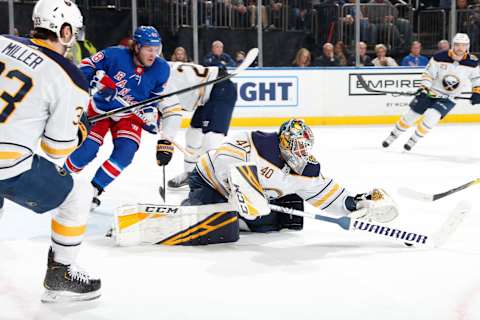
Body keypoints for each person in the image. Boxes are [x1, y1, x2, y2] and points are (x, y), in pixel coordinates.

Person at [111, 119, 397, 245]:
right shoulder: (254, 145)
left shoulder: (305, 169)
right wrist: (240, 188)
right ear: (283, 143)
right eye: (296, 148)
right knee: (215, 224)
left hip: (256, 197)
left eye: (305, 148)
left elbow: (326, 193)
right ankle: (179, 207)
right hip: (210, 181)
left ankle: (236, 212)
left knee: (274, 223)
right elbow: (221, 159)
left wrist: (354, 203)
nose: (302, 154)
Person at [0, 0, 101, 302]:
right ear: (65, 30)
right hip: (6, 165)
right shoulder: (68, 76)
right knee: (79, 192)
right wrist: (80, 130)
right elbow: (55, 147)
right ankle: (61, 274)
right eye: (74, 33)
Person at [63, 26, 172, 207]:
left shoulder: (162, 69)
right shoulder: (115, 54)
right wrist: (95, 82)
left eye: (156, 49)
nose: (153, 54)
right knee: (88, 149)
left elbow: (154, 98)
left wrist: (151, 114)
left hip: (129, 115)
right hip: (102, 108)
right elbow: (85, 66)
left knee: (126, 152)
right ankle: (61, 178)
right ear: (136, 47)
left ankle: (93, 191)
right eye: (148, 49)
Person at [382, 33, 480, 151]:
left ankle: (413, 139)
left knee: (433, 116)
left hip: (449, 97)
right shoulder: (439, 57)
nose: (460, 48)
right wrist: (424, 88)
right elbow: (429, 74)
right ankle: (393, 136)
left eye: (463, 45)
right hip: (432, 91)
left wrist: (476, 92)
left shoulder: (473, 62)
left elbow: (476, 79)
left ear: (467, 46)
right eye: (457, 45)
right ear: (453, 45)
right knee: (411, 115)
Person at [164, 62, 237, 189]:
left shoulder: (160, 79)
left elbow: (173, 116)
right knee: (192, 134)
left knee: (211, 139)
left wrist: (165, 141)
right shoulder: (163, 69)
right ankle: (191, 174)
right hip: (205, 94)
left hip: (220, 87)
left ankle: (214, 178)